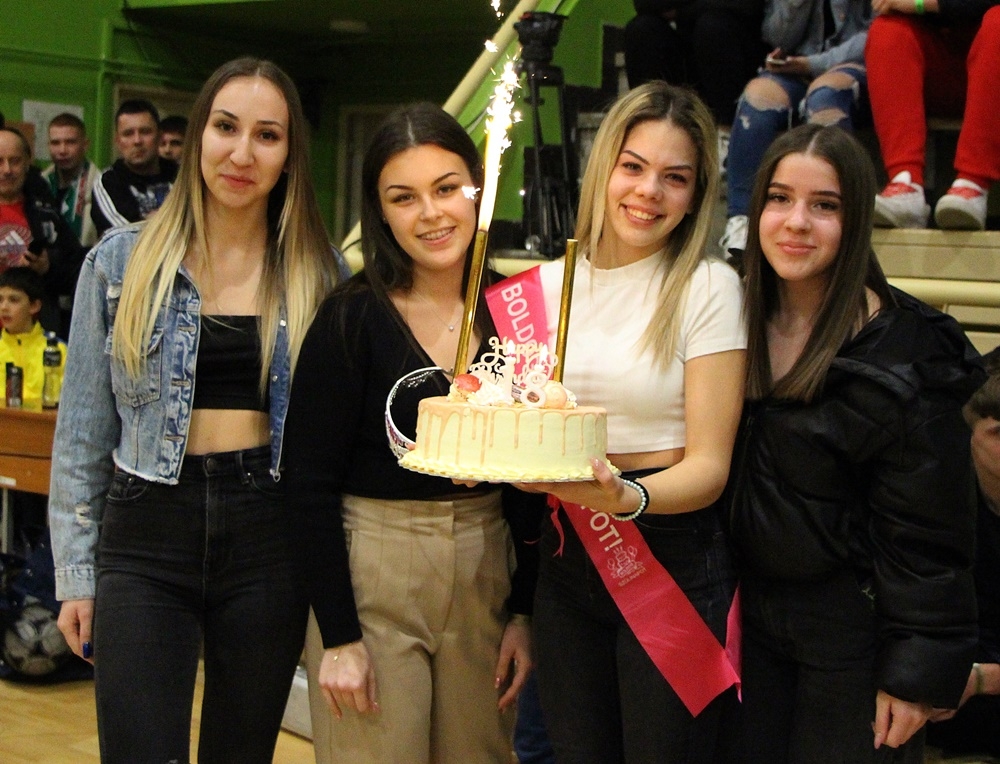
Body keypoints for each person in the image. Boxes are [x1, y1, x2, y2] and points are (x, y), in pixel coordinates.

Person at [48, 57, 344, 763]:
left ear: (289, 155)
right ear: (198, 137)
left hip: (269, 536)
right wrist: (75, 577)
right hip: (145, 532)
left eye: (267, 135)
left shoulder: (320, 272)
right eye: (226, 127)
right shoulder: (119, 262)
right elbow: (82, 431)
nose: (242, 153)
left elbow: (332, 441)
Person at [282, 102, 539, 763]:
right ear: (381, 212)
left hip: (486, 563)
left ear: (477, 188)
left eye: (447, 188)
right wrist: (339, 637)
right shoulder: (350, 317)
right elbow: (307, 485)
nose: (431, 214)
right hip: (374, 567)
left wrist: (524, 611)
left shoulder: (516, 313)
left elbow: (532, 481)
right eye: (404, 197)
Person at [728, 123, 982, 762]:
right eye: (779, 199)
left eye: (825, 205)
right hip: (741, 621)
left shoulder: (907, 351)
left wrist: (914, 673)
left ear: (857, 219)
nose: (797, 222)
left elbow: (929, 536)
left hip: (852, 637)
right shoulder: (726, 315)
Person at [518, 81, 745, 762]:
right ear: (604, 167)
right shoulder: (544, 287)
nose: (649, 191)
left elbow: (710, 467)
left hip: (671, 561)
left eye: (675, 177)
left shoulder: (709, 287)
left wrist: (626, 497)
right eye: (634, 166)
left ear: (697, 193)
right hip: (566, 562)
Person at [720, 0, 871, 257]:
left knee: (824, 99)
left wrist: (813, 64)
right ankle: (742, 220)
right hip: (797, 68)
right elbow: (776, 36)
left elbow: (873, 37)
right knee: (757, 97)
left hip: (857, 66)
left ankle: (836, 217)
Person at [924, 350, 1000, 757]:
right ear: (969, 432)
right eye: (999, 433)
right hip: (947, 689)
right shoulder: (934, 499)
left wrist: (981, 678)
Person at [868, 1, 1000, 230]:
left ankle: (973, 184)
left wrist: (922, 3)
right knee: (887, 29)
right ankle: (905, 183)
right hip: (944, 64)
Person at [624, 0, 766, 131]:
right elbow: (644, 4)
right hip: (687, 53)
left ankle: (727, 133)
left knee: (712, 26)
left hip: (738, 53)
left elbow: (748, 5)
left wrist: (679, 10)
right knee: (642, 29)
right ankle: (649, 125)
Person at [0, 126, 85, 337]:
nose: (7, 170)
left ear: (28, 163)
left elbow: (77, 268)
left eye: (15, 161)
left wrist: (48, 267)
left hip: (38, 337)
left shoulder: (45, 212)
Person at [91, 98, 179, 237]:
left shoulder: (182, 175)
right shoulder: (108, 182)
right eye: (128, 134)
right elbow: (128, 236)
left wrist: (152, 219)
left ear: (159, 136)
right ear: (118, 141)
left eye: (145, 132)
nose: (137, 141)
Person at [0, 266, 65, 402]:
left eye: (13, 300)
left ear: (34, 306)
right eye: (0, 300)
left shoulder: (59, 350)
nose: (4, 307)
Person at [41, 112, 99, 248]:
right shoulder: (39, 184)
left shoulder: (101, 186)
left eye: (70, 142)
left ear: (85, 145)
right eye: (55, 143)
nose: (62, 150)